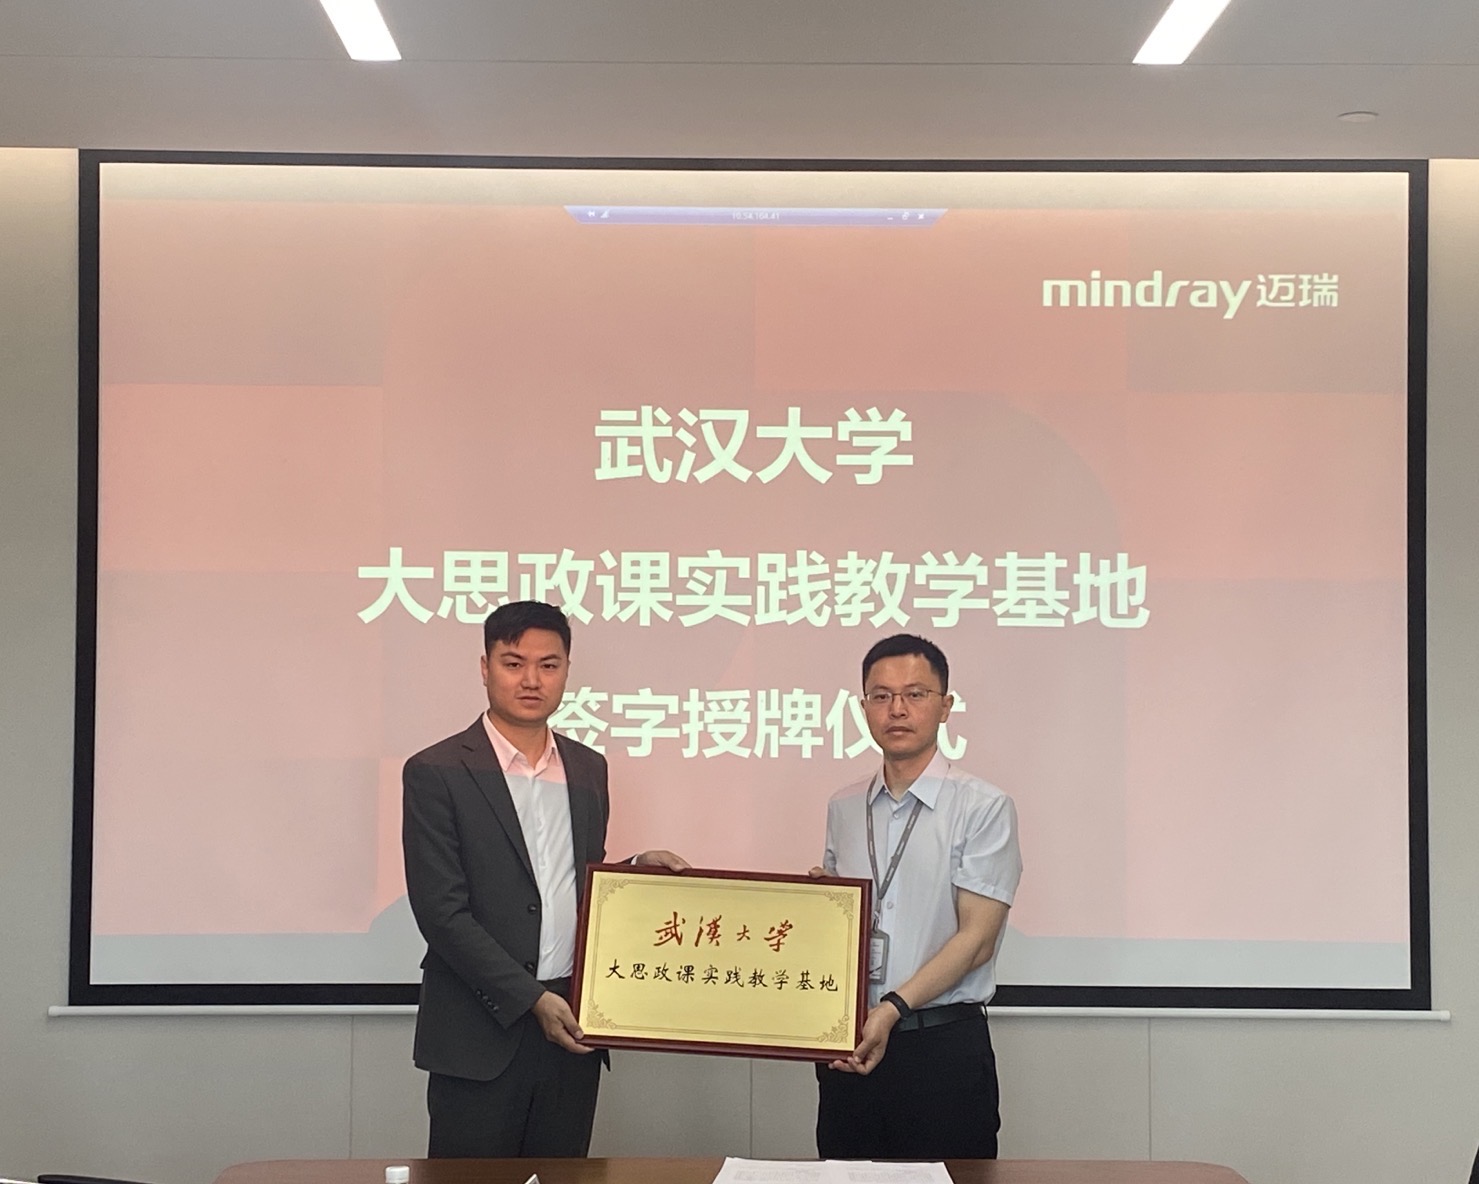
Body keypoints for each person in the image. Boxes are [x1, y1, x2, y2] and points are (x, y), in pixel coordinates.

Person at [402, 600, 689, 1158]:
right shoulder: (436, 770)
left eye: (548, 665)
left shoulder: (588, 768)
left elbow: (576, 883)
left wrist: (634, 875)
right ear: (485, 668)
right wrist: (530, 998)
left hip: (571, 1028)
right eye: (514, 663)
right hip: (479, 1034)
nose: (531, 680)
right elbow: (441, 913)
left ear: (566, 670)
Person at [811, 633, 1022, 1160]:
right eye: (880, 696)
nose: (897, 709)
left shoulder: (983, 806)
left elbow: (976, 940)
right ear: (863, 707)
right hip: (850, 1047)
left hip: (941, 1050)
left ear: (945, 706)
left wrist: (891, 1008)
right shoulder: (843, 806)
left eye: (915, 694)